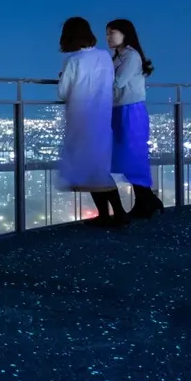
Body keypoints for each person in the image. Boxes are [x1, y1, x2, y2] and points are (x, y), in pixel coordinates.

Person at [56, 17, 127, 226]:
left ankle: (118, 213)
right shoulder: (104, 56)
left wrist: (62, 78)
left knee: (91, 168)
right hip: (102, 117)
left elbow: (62, 93)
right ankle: (107, 214)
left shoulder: (73, 61)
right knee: (96, 166)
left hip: (80, 118)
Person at [107, 18, 164, 218]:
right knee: (128, 156)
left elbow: (118, 82)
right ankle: (146, 200)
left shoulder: (131, 56)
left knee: (133, 155)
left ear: (125, 33)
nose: (108, 37)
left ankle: (146, 200)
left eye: (112, 32)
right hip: (120, 109)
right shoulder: (118, 56)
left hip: (130, 111)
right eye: (107, 33)